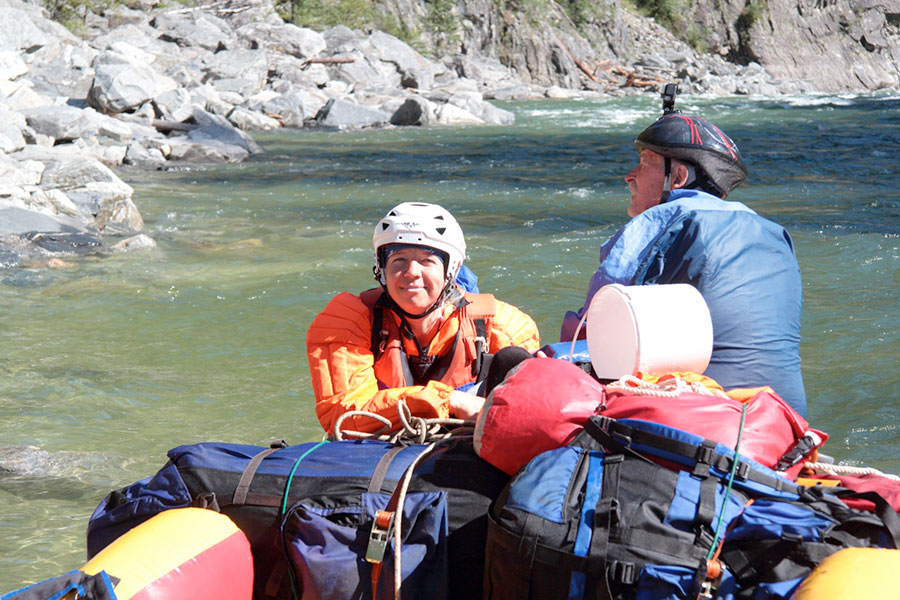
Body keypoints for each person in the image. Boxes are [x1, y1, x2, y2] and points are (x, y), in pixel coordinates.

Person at [561, 86, 806, 416]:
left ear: (677, 177)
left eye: (645, 163)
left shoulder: (662, 220)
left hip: (699, 415)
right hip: (785, 417)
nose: (628, 176)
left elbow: (589, 330)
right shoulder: (775, 233)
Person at [307, 201, 542, 435]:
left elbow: (528, 420)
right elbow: (344, 416)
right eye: (398, 260)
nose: (411, 272)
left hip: (468, 450)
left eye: (427, 260)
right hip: (377, 450)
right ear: (381, 268)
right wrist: (449, 401)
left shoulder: (505, 326)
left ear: (451, 270)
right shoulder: (345, 322)